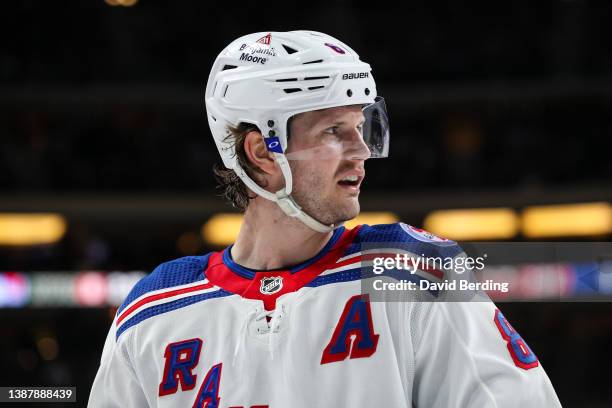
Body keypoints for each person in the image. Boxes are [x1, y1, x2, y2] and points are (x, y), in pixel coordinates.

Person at [88, 30, 561, 407]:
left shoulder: (414, 271)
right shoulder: (150, 314)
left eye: (360, 128)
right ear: (261, 152)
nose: (361, 153)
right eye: (334, 131)